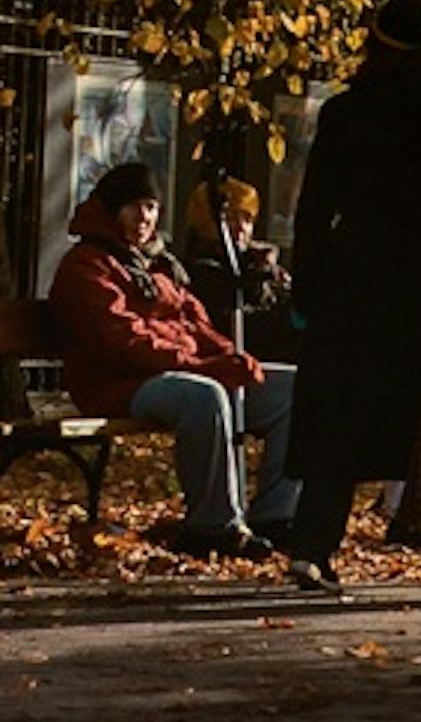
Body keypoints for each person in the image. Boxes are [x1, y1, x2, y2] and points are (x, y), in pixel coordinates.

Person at [281, 0, 421, 589]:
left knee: (340, 421)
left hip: (350, 284)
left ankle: (313, 546)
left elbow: (315, 207)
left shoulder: (345, 110)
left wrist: (306, 292)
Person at [47, 163, 292, 556]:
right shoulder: (87, 265)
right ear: (111, 210)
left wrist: (230, 355)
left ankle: (275, 516)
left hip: (172, 372)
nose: (144, 217)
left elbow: (196, 323)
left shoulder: (158, 265)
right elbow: (122, 341)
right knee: (203, 396)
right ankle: (212, 527)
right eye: (133, 207)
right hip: (116, 384)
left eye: (150, 207)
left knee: (292, 389)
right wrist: (202, 367)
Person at [176, 178, 286, 363]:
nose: (241, 227)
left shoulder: (258, 265)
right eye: (232, 218)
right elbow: (237, 326)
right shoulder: (196, 272)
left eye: (247, 219)